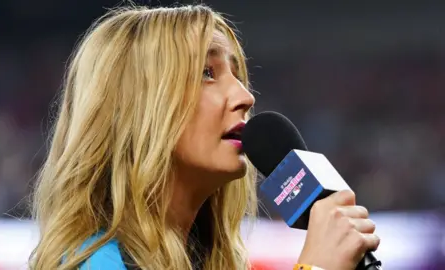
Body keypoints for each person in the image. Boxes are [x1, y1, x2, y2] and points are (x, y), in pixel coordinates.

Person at [29, 4, 380, 270]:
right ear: (136, 107)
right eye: (206, 72)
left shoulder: (210, 258)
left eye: (237, 72)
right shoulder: (93, 264)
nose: (245, 96)